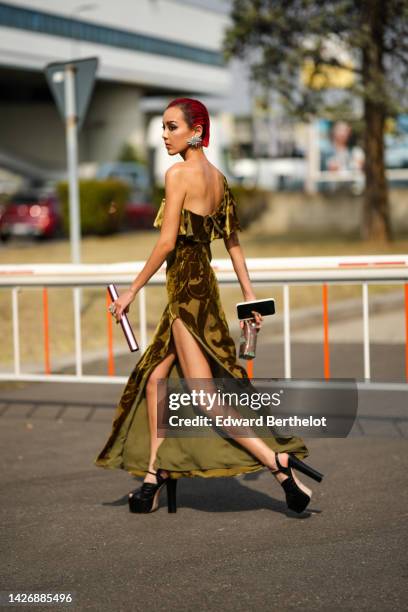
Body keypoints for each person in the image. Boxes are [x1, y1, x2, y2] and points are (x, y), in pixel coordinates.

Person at [94, 97, 323, 514]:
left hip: (184, 294)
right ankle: (152, 479)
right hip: (203, 289)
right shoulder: (219, 178)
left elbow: (166, 243)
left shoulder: (178, 174)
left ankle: (277, 463)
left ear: (196, 131)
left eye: (171, 127)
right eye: (163, 127)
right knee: (155, 381)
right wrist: (250, 295)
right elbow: (232, 242)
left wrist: (130, 291)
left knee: (203, 395)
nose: (164, 135)